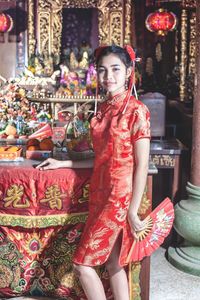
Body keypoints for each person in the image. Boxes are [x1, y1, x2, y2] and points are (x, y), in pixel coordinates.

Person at [36, 45, 151, 300]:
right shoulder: (104, 109)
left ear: (129, 71)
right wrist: (64, 164)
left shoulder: (136, 111)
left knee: (82, 265)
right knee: (113, 263)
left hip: (118, 197)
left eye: (115, 69)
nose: (108, 76)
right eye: (102, 70)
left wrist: (132, 210)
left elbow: (142, 164)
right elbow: (101, 159)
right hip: (99, 194)